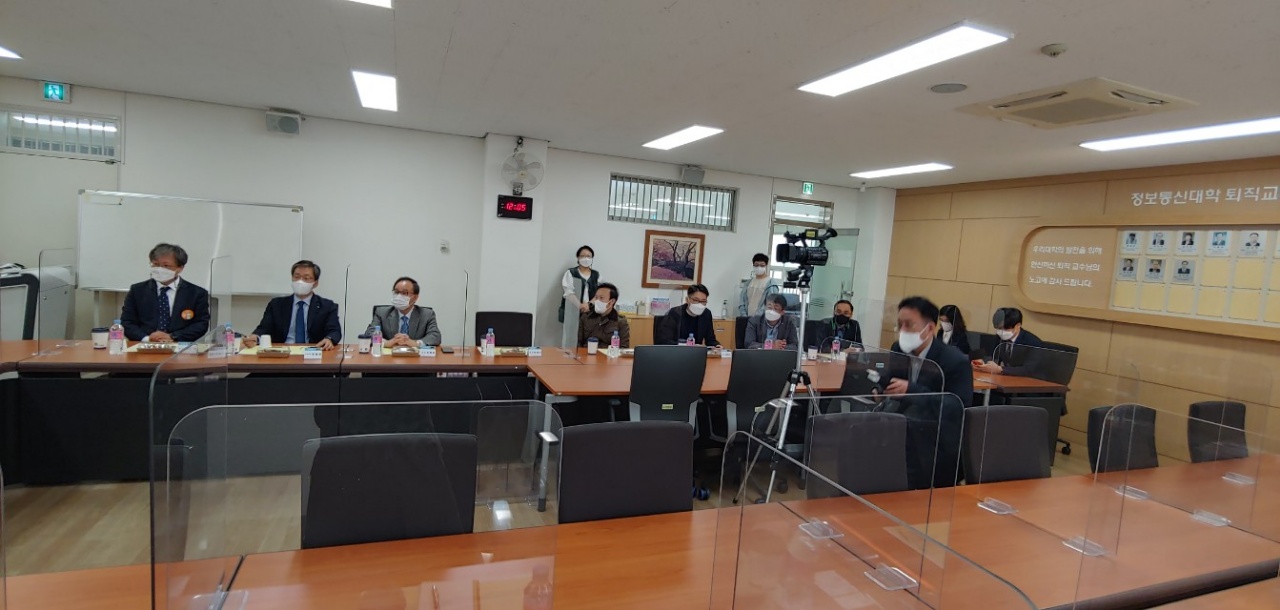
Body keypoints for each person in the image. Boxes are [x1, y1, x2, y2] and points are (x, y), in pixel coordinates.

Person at [884, 296, 971, 489]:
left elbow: (957, 405)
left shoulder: (954, 360)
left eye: (909, 325)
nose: (902, 331)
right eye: (899, 324)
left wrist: (911, 390)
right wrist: (879, 389)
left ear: (930, 328)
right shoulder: (899, 349)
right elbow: (892, 380)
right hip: (901, 433)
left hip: (936, 441)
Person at [120, 243, 210, 342]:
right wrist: (147, 339)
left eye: (166, 266)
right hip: (144, 345)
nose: (159, 269)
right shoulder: (137, 290)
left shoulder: (196, 293)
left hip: (180, 345)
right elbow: (127, 322)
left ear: (180, 268)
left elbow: (201, 324)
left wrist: (173, 337)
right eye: (156, 264)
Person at [243, 260, 342, 350]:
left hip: (313, 353)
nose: (300, 281)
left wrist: (329, 339)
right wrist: (255, 337)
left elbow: (334, 331)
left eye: (306, 278)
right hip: (282, 352)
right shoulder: (276, 304)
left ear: (315, 283)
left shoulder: (327, 306)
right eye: (297, 277)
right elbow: (264, 328)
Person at [368, 276, 441, 347]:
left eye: (404, 293)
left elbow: (435, 336)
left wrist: (416, 343)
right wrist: (385, 343)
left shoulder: (427, 314)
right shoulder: (381, 313)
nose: (399, 296)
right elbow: (369, 333)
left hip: (415, 354)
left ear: (415, 297)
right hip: (389, 354)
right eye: (396, 292)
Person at [974, 307, 1042, 377]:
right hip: (1005, 378)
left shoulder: (1033, 342)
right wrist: (983, 362)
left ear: (1018, 326)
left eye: (1006, 329)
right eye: (999, 328)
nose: (1001, 332)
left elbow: (1029, 370)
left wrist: (1001, 369)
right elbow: (994, 356)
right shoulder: (999, 337)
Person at [655, 284, 721, 346]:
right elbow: (664, 341)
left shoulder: (706, 314)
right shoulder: (674, 313)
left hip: (696, 352)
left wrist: (717, 346)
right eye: (696, 300)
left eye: (703, 301)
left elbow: (711, 339)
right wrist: (687, 345)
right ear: (687, 300)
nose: (699, 304)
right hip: (676, 351)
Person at [578, 282, 630, 348]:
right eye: (596, 298)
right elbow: (577, 343)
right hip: (587, 352)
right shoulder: (585, 317)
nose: (597, 301)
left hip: (608, 353)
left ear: (611, 301)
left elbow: (624, 347)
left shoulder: (620, 322)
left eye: (601, 298)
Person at [558, 245, 599, 323]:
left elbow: (600, 293)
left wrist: (589, 305)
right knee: (572, 330)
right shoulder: (571, 272)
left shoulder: (596, 275)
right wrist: (580, 306)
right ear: (578, 258)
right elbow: (568, 292)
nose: (586, 258)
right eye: (582, 256)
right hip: (572, 312)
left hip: (591, 312)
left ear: (592, 258)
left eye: (588, 256)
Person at [738, 253, 782, 317]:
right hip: (747, 319)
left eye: (762, 265)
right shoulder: (748, 283)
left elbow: (771, 304)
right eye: (756, 265)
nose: (759, 267)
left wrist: (756, 318)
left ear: (766, 266)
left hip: (762, 320)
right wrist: (744, 316)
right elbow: (742, 302)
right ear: (753, 265)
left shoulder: (771, 284)